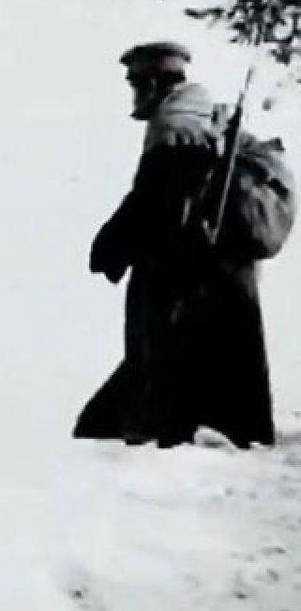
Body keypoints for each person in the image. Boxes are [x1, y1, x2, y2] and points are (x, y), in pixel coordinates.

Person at [76, 41, 283, 448]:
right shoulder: (205, 115)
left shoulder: (173, 126)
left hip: (185, 273)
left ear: (153, 82)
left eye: (136, 82)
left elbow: (156, 201)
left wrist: (111, 246)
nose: (133, 92)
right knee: (219, 367)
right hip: (222, 272)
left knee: (160, 371)